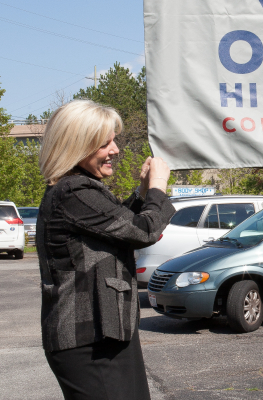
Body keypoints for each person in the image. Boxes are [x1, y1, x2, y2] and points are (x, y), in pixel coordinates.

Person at [36, 100, 176, 400]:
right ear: (77, 145)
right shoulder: (73, 191)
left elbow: (117, 228)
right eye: (104, 143)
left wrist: (141, 194)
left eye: (114, 140)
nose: (115, 149)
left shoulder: (80, 189)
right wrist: (158, 186)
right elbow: (142, 230)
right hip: (88, 341)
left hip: (105, 334)